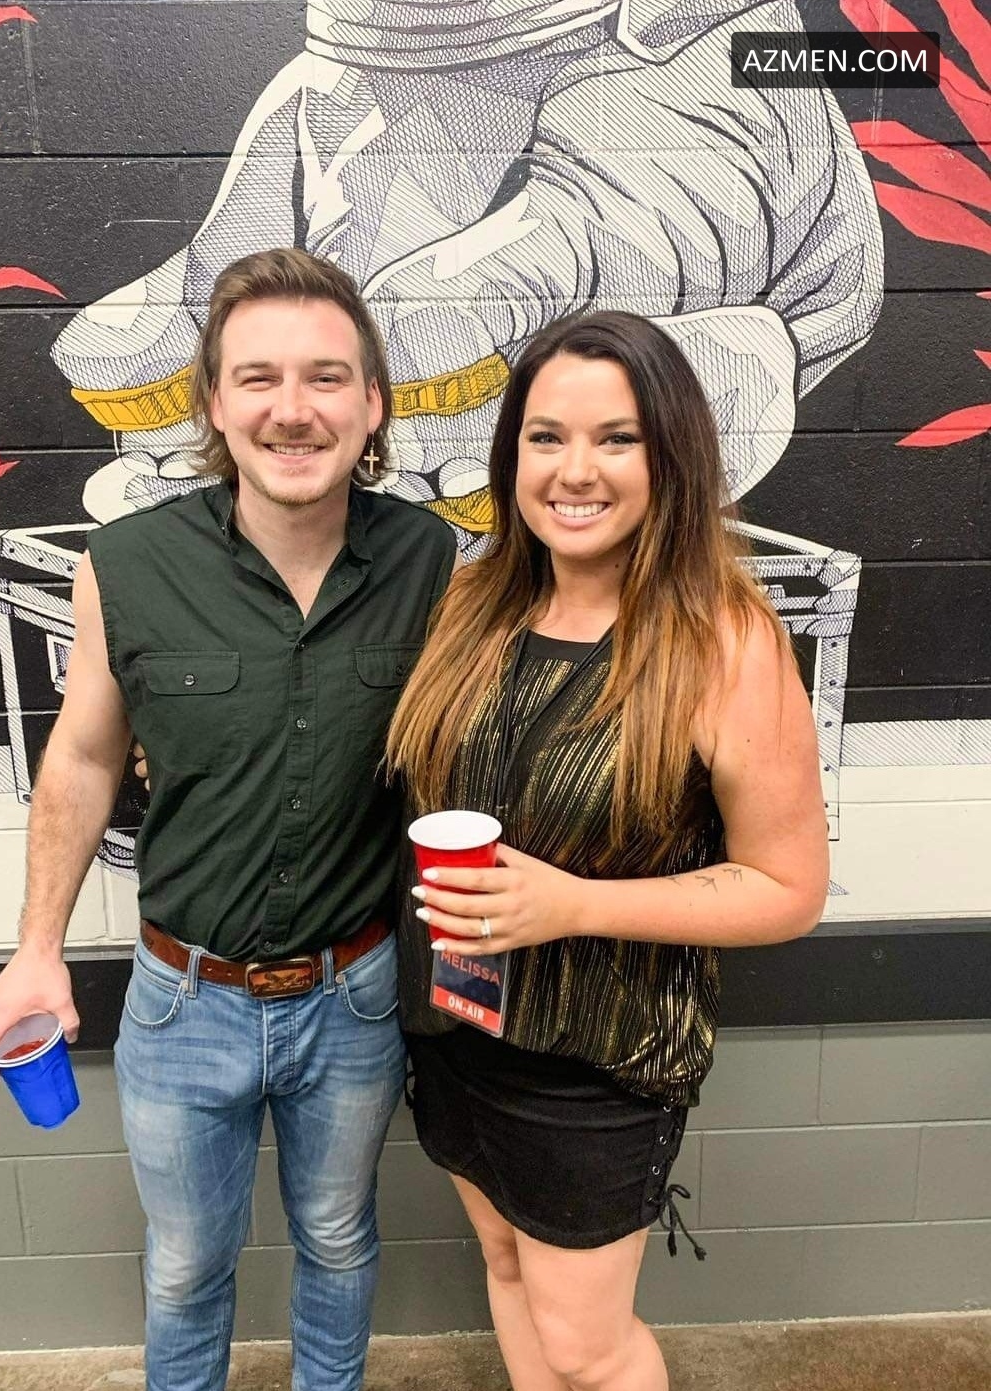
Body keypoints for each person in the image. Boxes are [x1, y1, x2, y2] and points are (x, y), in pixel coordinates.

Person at [0, 248, 459, 1391]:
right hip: (183, 1000)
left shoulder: (428, 557)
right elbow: (83, 757)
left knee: (338, 1237)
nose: (294, 408)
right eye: (259, 377)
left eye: (326, 376)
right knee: (187, 1265)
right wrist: (36, 947)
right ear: (214, 403)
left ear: (372, 402)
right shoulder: (128, 564)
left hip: (354, 996)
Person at [385, 311, 829, 1391]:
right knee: (504, 1263)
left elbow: (788, 887)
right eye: (546, 436)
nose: (574, 470)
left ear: (670, 456)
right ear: (511, 453)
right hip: (453, 1030)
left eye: (616, 438)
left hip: (599, 1060)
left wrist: (574, 904)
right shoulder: (472, 604)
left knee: (588, 1346)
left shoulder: (723, 639)